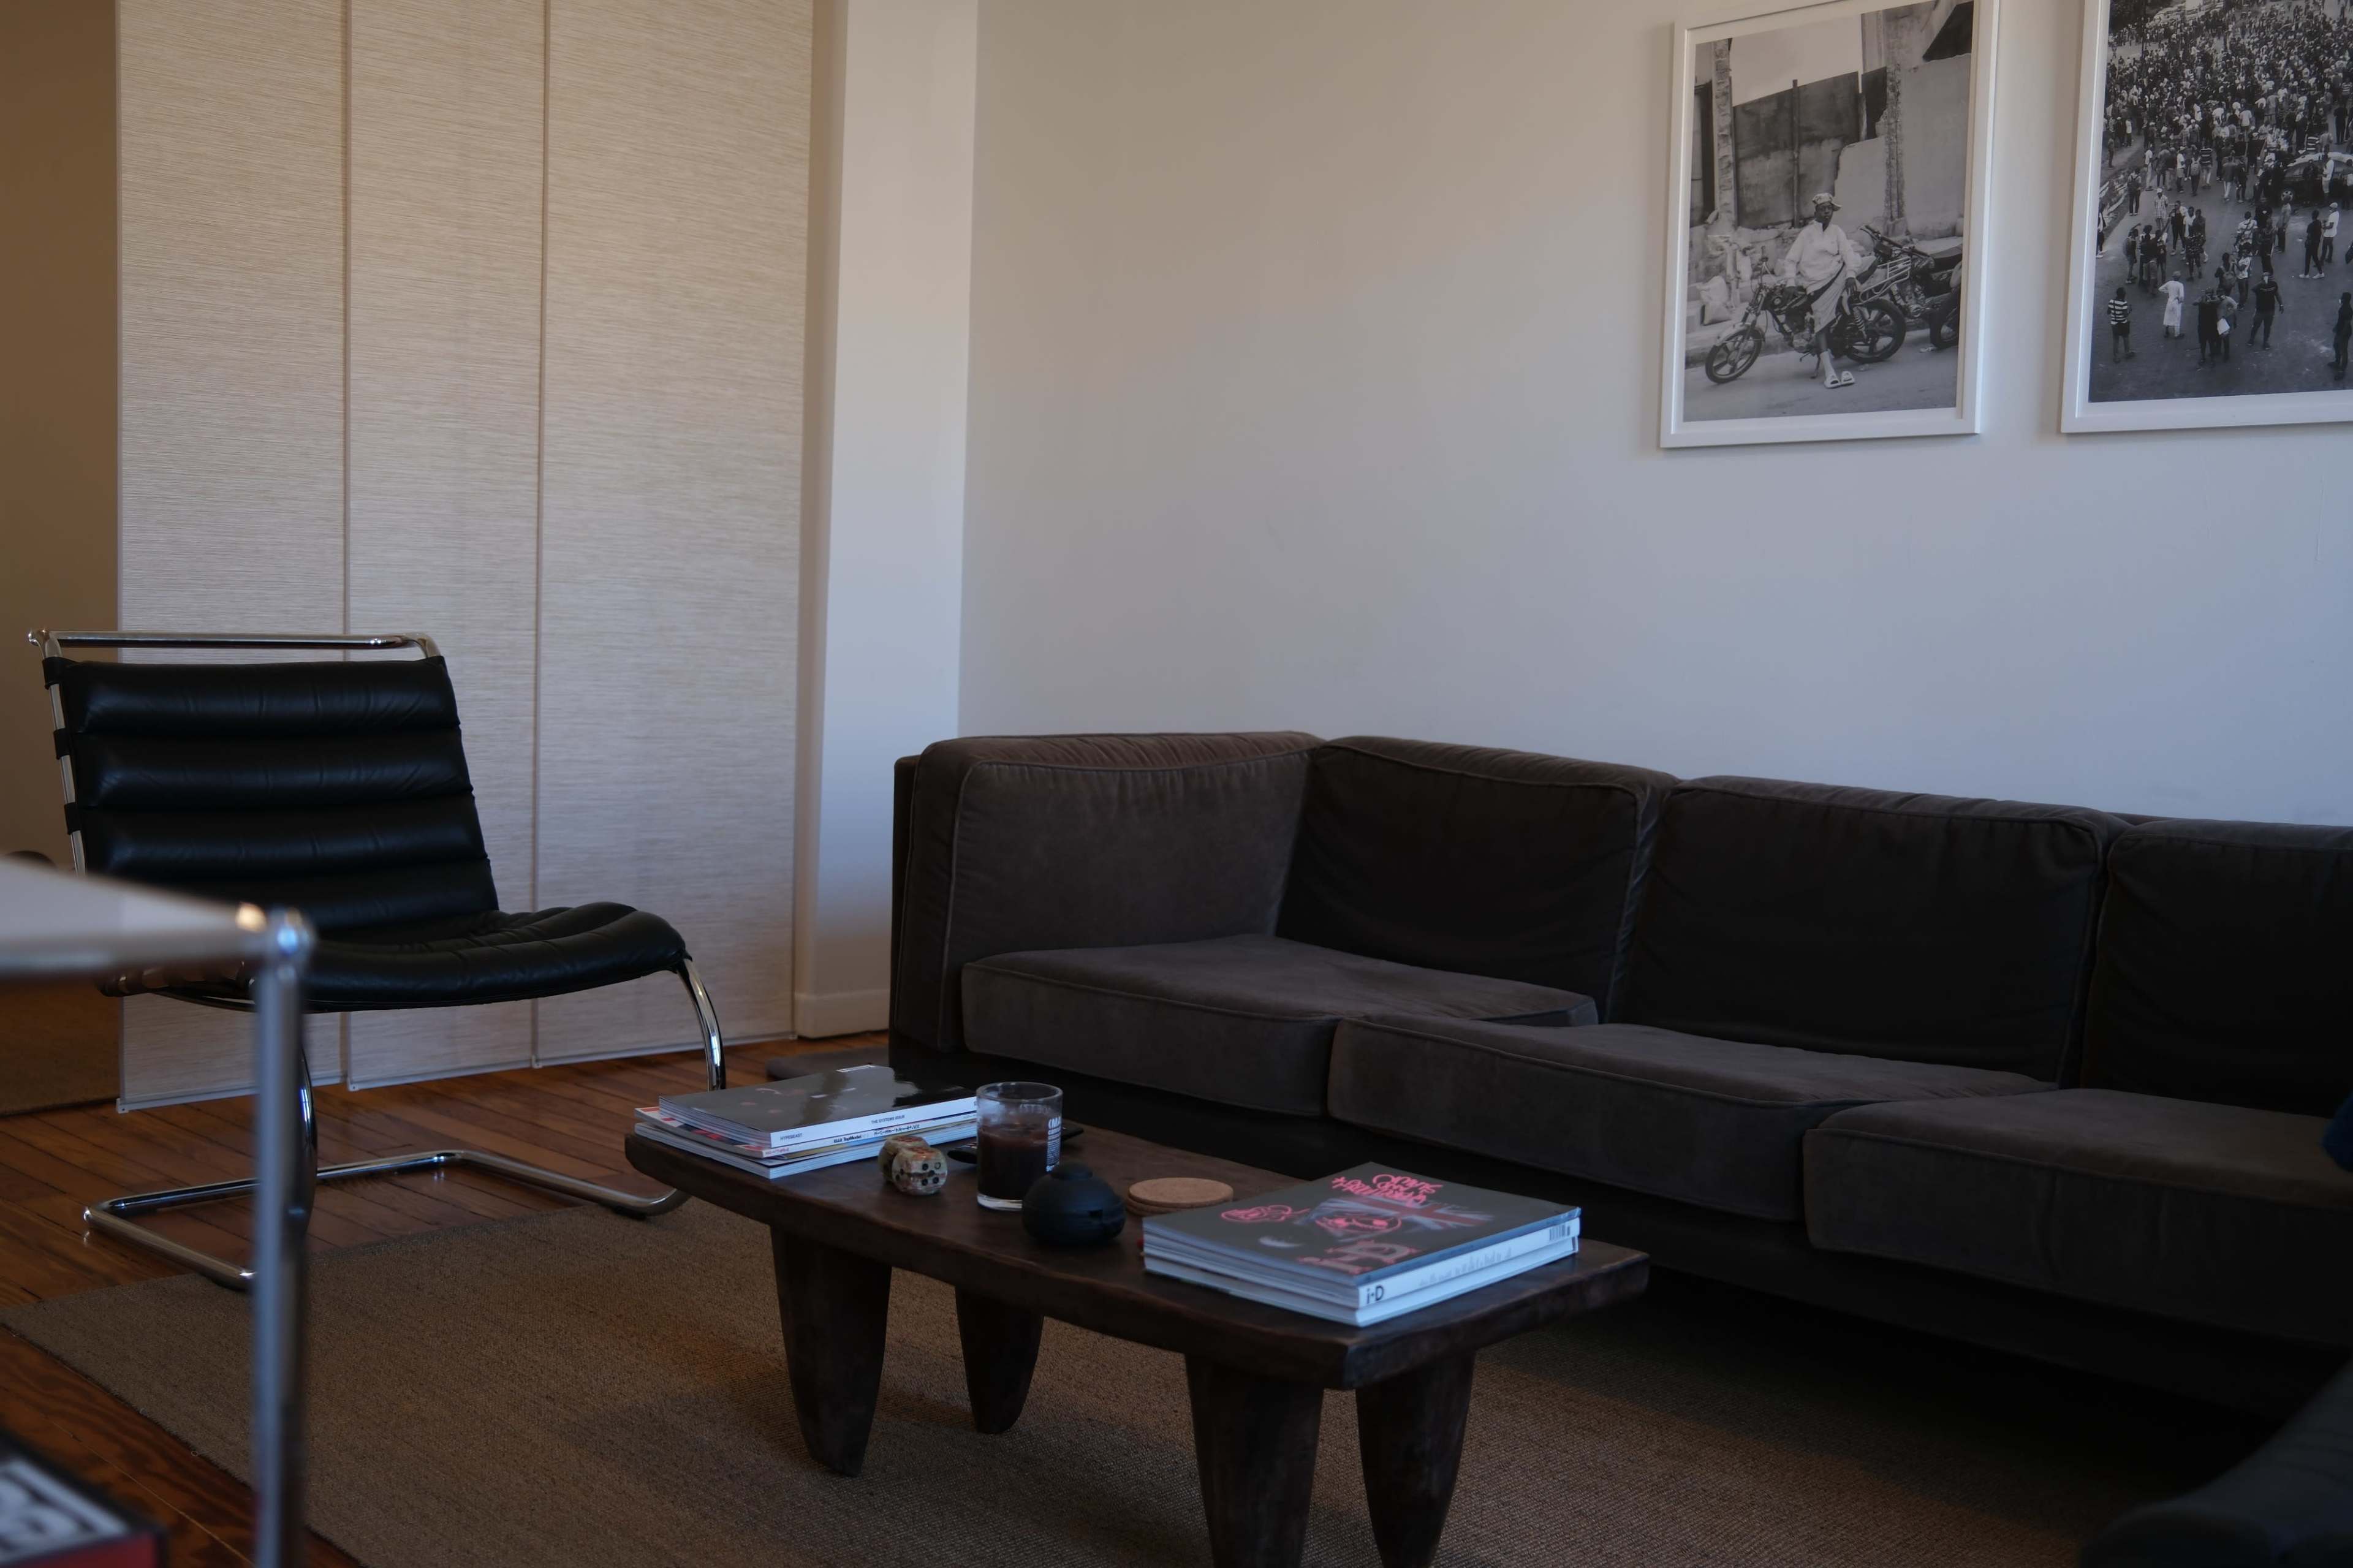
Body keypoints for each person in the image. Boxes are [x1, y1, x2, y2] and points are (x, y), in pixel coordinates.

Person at [1780, 192, 1866, 391]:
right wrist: (1790, 282)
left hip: (1836, 275)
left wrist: (1851, 274)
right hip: (1815, 283)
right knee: (1821, 324)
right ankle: (1829, 371)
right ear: (1816, 211)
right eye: (1823, 209)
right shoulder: (1806, 234)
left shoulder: (1837, 231)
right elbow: (1791, 260)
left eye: (1829, 209)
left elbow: (1847, 252)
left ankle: (1845, 318)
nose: (1827, 212)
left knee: (1849, 275)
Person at [2253, 267, 2283, 347]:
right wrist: (2261, 283)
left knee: (2267, 327)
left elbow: (2277, 295)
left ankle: (2265, 342)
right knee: (2256, 325)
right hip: (2260, 310)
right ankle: (2252, 338)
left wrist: (2281, 304)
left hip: (2270, 310)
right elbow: (2253, 289)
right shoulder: (2260, 286)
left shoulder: (2274, 285)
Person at [2197, 282, 2225, 366]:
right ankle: (2204, 357)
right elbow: (2195, 302)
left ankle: (2211, 359)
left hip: (2210, 326)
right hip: (2204, 326)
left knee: (2211, 344)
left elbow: (2218, 300)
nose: (2208, 295)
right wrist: (2205, 300)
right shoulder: (2203, 301)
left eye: (2210, 294)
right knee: (2204, 344)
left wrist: (2209, 300)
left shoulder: (2213, 301)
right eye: (2207, 294)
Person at [2108, 285, 2135, 362]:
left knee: (2115, 340)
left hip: (2114, 323)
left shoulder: (2111, 301)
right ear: (2123, 295)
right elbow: (2125, 315)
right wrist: (2129, 310)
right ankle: (2127, 353)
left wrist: (2115, 311)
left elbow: (2108, 312)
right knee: (2126, 338)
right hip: (2123, 323)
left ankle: (2116, 357)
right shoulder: (2124, 303)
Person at [2162, 269, 2188, 338]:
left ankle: (2167, 331)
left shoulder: (2169, 283)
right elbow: (2182, 296)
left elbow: (2161, 289)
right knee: (2177, 318)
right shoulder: (2180, 285)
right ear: (2179, 278)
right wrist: (2180, 301)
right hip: (2176, 302)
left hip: (2170, 301)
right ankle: (2177, 334)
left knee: (2167, 316)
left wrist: (2168, 292)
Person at [2335, 292, 2352, 380]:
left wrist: (2342, 334)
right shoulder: (2344, 307)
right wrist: (2336, 328)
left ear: (2344, 300)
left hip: (2344, 333)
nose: (2341, 299)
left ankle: (2342, 371)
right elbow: (2341, 320)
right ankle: (2337, 362)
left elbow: (2346, 323)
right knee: (2336, 346)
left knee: (2343, 351)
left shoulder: (2347, 310)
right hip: (2340, 330)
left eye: (2342, 298)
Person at [2306, 208, 2328, 277]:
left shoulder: (2310, 225)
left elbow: (2309, 235)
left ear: (2312, 216)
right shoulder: (2319, 223)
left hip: (2311, 244)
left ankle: (2306, 274)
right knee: (2315, 257)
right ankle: (2320, 273)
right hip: (2316, 243)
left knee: (2308, 258)